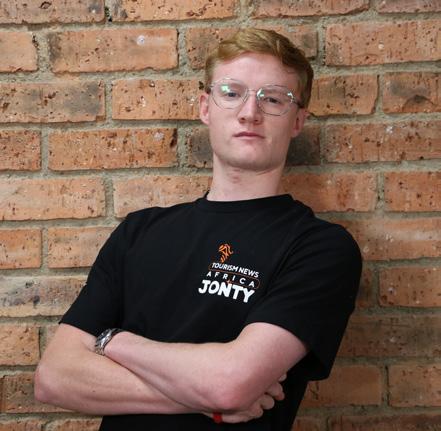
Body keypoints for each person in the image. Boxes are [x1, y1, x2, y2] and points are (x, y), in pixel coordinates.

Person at [34, 28, 362, 430]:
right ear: (206, 107)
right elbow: (54, 379)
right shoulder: (139, 231)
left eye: (273, 99)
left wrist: (114, 341)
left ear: (298, 121)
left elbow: (230, 383)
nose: (250, 112)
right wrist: (208, 402)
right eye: (232, 92)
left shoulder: (320, 248)